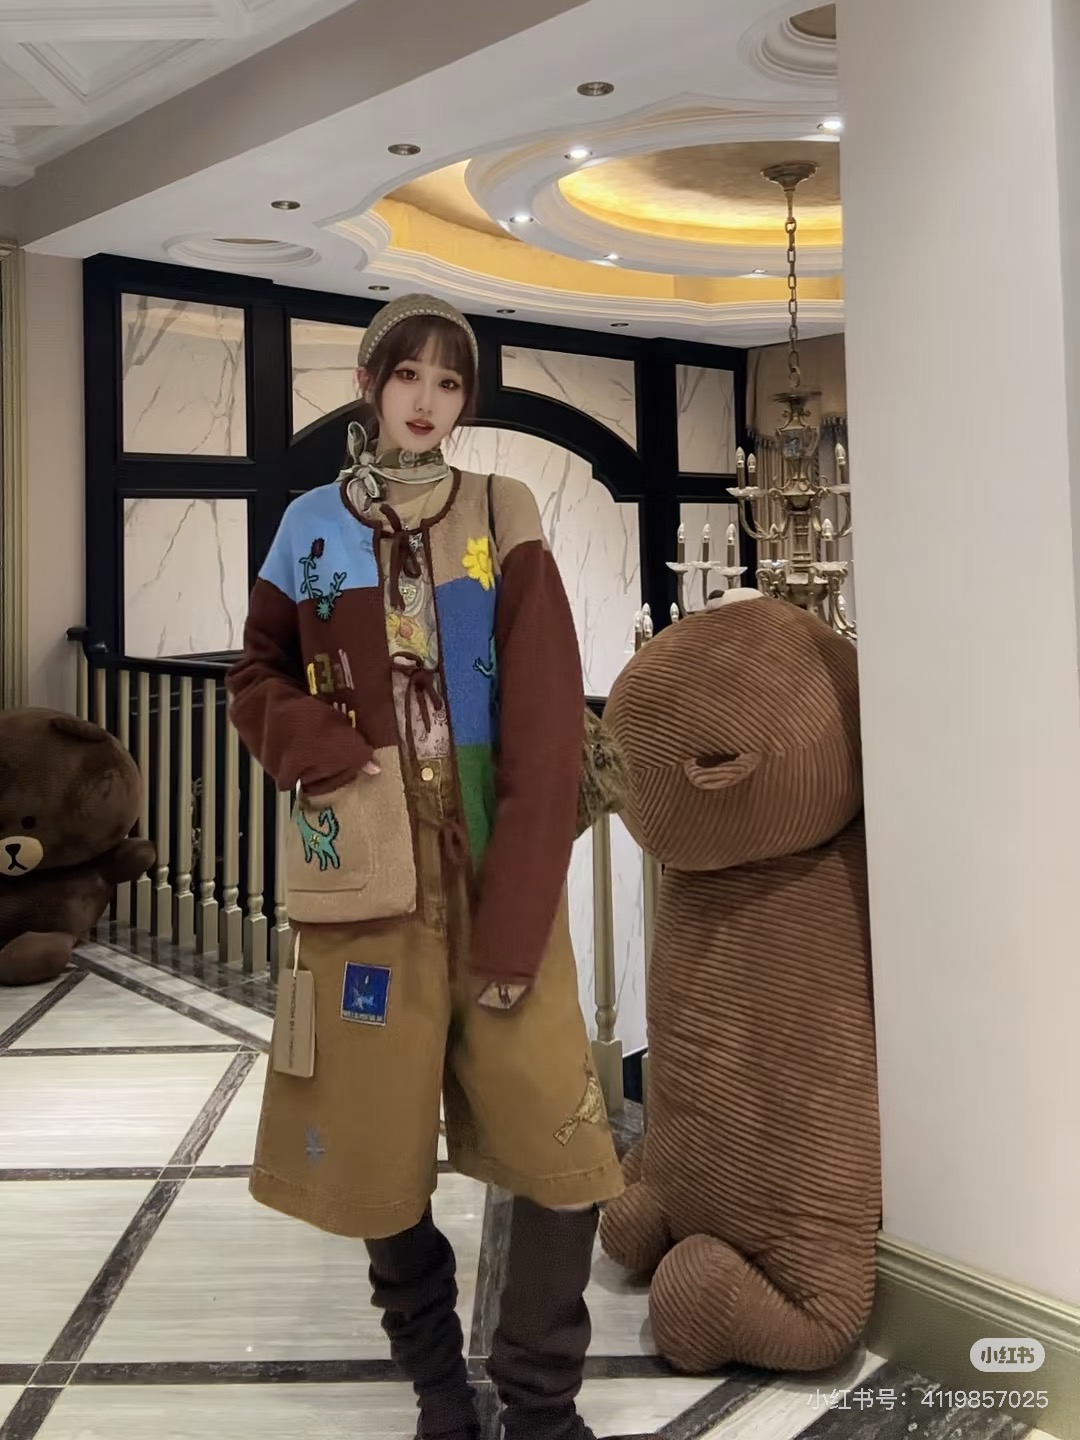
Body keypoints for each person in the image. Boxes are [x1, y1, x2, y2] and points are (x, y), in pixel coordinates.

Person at [227, 294, 636, 1440]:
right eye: (408, 375)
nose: (428, 400)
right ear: (370, 384)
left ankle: (541, 1404)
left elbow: (546, 723)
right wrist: (328, 753)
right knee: (371, 1148)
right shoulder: (309, 525)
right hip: (364, 880)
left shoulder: (504, 510)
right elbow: (255, 675)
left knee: (564, 1149)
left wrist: (516, 920)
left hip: (496, 869)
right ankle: (441, 1394)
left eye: (450, 382)